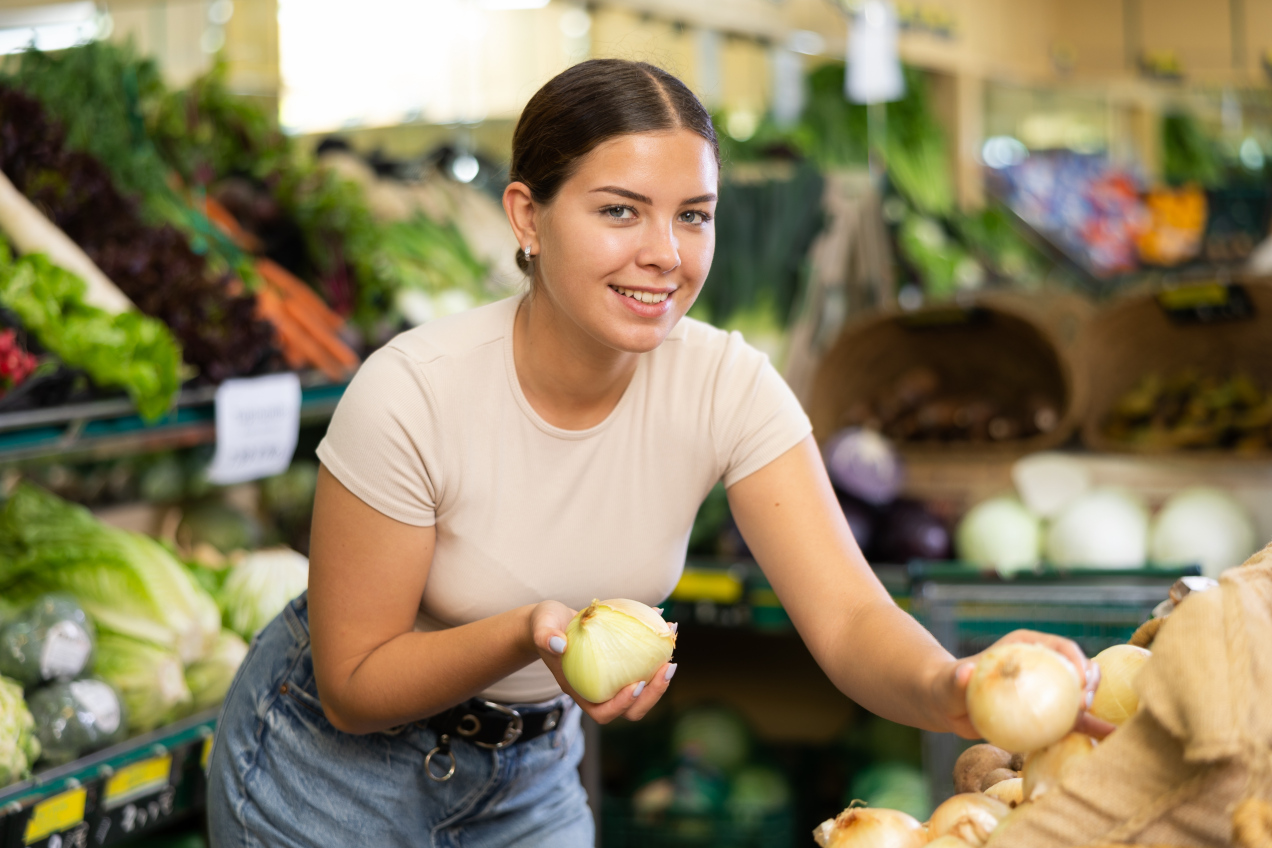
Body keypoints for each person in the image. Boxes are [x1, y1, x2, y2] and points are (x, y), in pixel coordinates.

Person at [207, 58, 1110, 848]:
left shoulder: (725, 383)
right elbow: (354, 684)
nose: (665, 255)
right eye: (620, 211)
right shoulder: (413, 391)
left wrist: (952, 687)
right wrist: (531, 631)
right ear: (528, 215)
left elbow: (848, 620)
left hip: (528, 770)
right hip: (330, 775)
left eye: (695, 216)